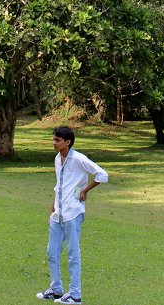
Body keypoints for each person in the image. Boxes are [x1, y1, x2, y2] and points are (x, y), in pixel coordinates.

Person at [36, 126, 108, 304]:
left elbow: (102, 174)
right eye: (53, 139)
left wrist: (85, 190)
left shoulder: (78, 159)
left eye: (57, 140)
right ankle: (56, 289)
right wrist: (52, 209)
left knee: (73, 253)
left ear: (67, 142)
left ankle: (75, 294)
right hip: (58, 214)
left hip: (73, 213)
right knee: (52, 251)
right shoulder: (57, 159)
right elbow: (59, 185)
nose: (54, 143)